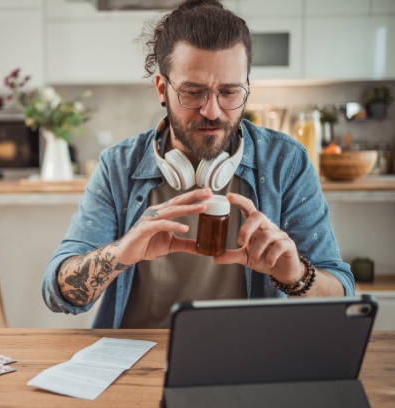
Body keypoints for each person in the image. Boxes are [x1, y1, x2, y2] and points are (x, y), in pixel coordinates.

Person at [41, 0, 353, 329]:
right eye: (193, 92)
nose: (213, 111)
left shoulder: (285, 162)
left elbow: (341, 296)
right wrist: (121, 252)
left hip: (250, 357)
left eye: (230, 92)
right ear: (162, 88)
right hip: (136, 359)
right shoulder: (118, 166)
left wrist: (296, 275)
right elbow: (58, 292)